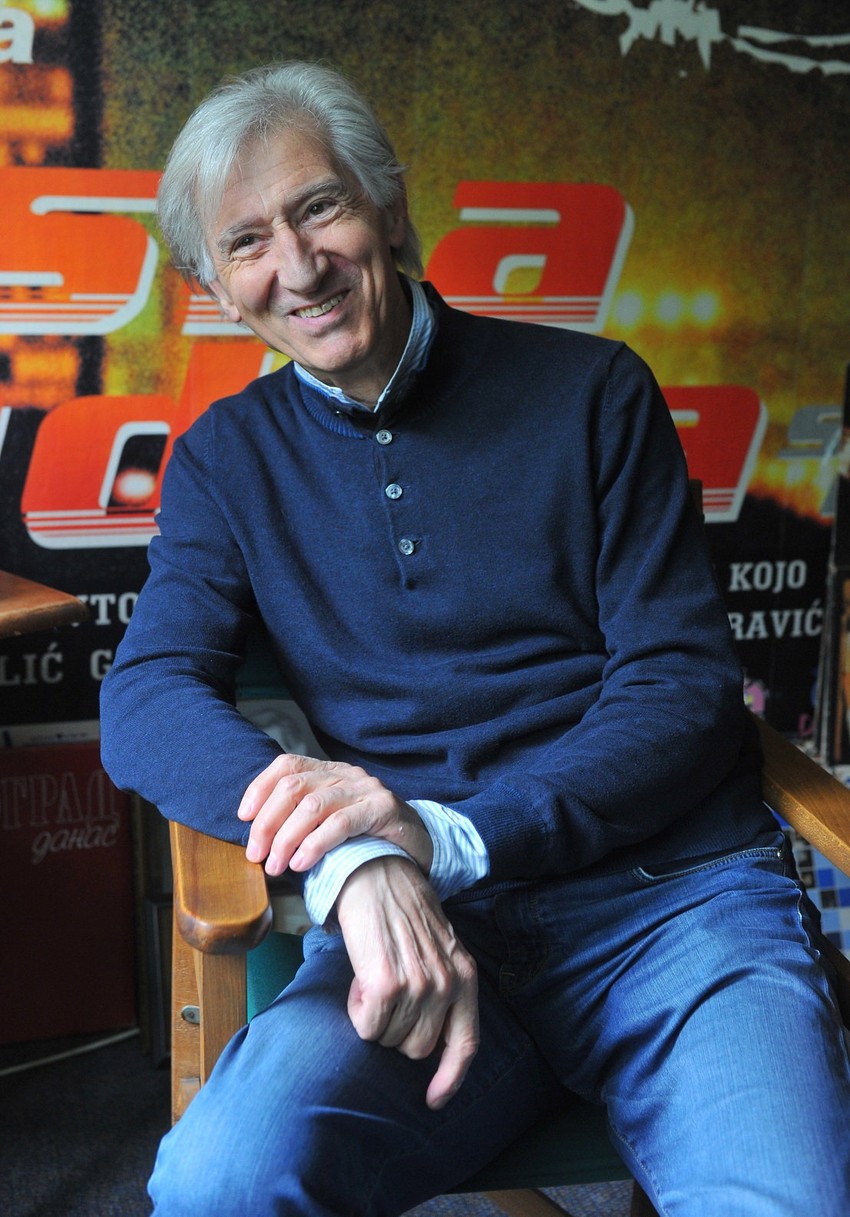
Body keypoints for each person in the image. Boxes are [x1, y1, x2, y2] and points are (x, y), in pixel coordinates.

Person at [99, 60, 850, 1216]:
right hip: (420, 933)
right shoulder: (224, 460)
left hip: (674, 908)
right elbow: (147, 694)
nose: (298, 266)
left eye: (319, 208)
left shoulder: (594, 391)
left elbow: (682, 688)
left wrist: (450, 833)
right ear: (215, 286)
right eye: (247, 242)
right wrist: (350, 860)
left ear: (391, 208)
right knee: (218, 1181)